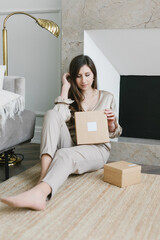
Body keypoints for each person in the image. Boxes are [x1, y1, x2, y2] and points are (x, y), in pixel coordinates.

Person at [0, 55, 122, 211]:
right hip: (74, 143)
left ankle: (40, 194)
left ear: (94, 75)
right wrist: (65, 88)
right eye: (78, 76)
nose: (83, 80)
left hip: (97, 149)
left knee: (64, 154)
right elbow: (58, 116)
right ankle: (43, 178)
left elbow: (114, 133)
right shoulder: (71, 97)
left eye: (87, 75)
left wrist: (111, 124)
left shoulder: (107, 97)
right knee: (51, 114)